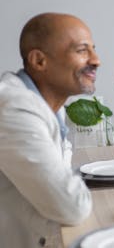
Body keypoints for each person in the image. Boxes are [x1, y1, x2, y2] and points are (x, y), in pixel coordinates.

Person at [0, 13, 98, 247]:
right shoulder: (13, 110)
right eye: (82, 50)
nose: (96, 60)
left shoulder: (49, 104)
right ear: (39, 61)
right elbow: (72, 206)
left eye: (93, 49)